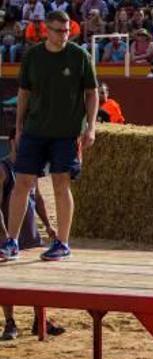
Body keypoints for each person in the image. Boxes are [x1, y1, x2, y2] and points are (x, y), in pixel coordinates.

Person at [0, 10, 97, 263]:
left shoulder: (80, 55)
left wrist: (91, 127)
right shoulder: (32, 56)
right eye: (58, 30)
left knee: (60, 184)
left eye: (67, 31)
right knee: (22, 182)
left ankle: (62, 243)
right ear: (46, 30)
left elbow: (91, 93)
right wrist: (19, 127)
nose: (63, 35)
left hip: (66, 133)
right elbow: (23, 92)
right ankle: (11, 241)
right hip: (34, 130)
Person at [1, 130, 66, 339]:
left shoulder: (31, 169)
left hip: (30, 234)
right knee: (6, 280)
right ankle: (10, 323)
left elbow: (37, 198)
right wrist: (4, 234)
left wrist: (48, 225)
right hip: (8, 236)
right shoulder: (3, 169)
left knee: (35, 278)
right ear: (13, 141)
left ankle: (40, 320)